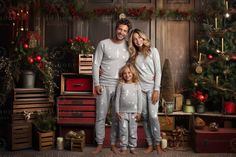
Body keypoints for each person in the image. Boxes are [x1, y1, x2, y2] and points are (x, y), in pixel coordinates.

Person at [92, 18, 132, 154]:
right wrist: (96, 83)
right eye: (120, 29)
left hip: (120, 86)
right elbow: (96, 64)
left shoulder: (129, 47)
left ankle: (113, 143)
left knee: (116, 116)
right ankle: (99, 143)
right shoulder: (103, 44)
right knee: (101, 115)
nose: (122, 32)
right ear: (115, 29)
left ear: (127, 33)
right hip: (103, 84)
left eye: (125, 31)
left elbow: (132, 65)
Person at [128, 28, 163, 154]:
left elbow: (158, 72)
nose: (138, 41)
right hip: (140, 90)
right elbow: (127, 69)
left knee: (153, 116)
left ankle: (157, 143)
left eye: (139, 38)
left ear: (144, 37)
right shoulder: (133, 55)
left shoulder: (153, 51)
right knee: (145, 117)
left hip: (152, 89)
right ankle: (150, 143)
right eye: (135, 39)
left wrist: (156, 89)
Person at [115, 63, 142, 155]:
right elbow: (117, 98)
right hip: (123, 113)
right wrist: (117, 111)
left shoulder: (137, 85)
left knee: (133, 130)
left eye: (129, 72)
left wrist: (139, 112)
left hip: (134, 113)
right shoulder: (121, 85)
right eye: (125, 73)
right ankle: (123, 146)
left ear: (133, 73)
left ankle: (132, 146)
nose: (127, 75)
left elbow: (140, 99)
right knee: (123, 130)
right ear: (122, 75)